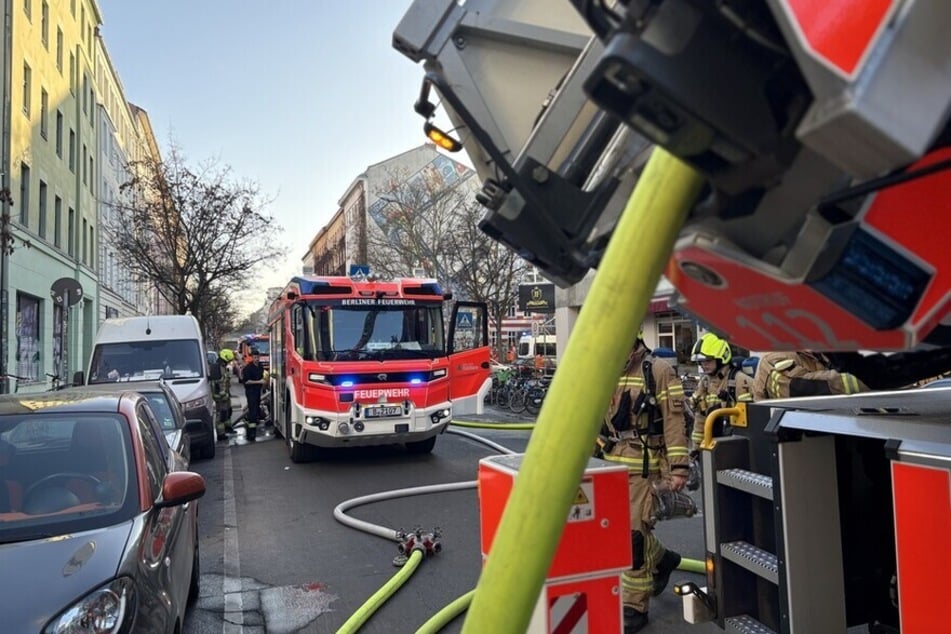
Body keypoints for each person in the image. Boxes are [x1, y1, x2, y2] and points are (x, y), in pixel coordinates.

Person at [600, 330, 690, 633]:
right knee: (615, 534)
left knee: (633, 538)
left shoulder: (659, 371)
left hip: (644, 468)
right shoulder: (607, 369)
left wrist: (678, 469)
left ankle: (634, 607)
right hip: (610, 466)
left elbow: (675, 422)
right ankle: (663, 560)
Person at [688, 333, 753, 446]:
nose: (703, 365)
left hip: (735, 443)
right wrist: (696, 448)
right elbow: (700, 419)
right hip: (713, 444)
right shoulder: (704, 383)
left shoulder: (740, 381)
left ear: (721, 358)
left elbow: (750, 419)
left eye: (708, 361)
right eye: (701, 362)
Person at [239, 350, 266, 442]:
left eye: (258, 357)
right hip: (251, 391)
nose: (257, 359)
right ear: (252, 358)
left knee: (256, 408)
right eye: (255, 357)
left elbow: (262, 377)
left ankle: (251, 424)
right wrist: (259, 382)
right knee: (252, 410)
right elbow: (246, 381)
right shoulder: (248, 368)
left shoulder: (260, 367)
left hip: (258, 391)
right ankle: (251, 433)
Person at [213, 349, 235, 440]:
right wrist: (222, 394)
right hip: (220, 397)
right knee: (220, 415)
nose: (229, 363)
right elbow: (217, 384)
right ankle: (221, 434)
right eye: (228, 361)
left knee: (228, 411)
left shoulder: (223, 367)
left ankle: (228, 428)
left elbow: (225, 381)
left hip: (225, 395)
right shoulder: (217, 368)